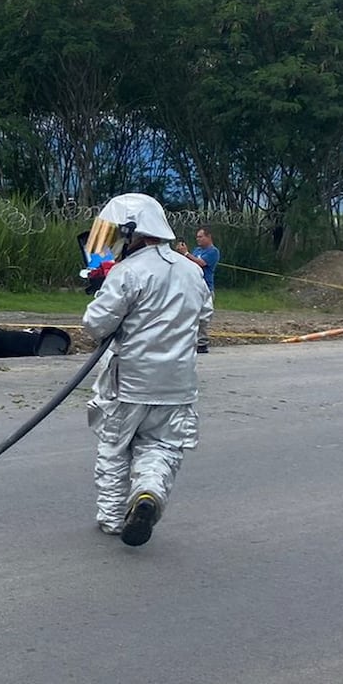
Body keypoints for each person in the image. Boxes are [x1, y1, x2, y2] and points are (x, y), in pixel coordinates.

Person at [81, 193, 213, 547]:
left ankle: (111, 518)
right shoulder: (191, 271)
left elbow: (95, 325)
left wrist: (100, 292)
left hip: (130, 384)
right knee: (162, 447)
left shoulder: (127, 272)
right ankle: (148, 493)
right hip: (177, 385)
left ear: (132, 232)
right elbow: (204, 321)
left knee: (114, 447)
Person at [176, 225, 220, 353]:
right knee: (190, 315)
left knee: (203, 317)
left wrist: (186, 253)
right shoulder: (196, 250)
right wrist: (182, 255)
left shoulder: (213, 251)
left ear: (208, 237)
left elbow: (200, 263)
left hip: (206, 288)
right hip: (193, 287)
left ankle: (202, 343)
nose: (198, 239)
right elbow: (189, 262)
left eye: (201, 237)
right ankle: (191, 341)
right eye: (197, 237)